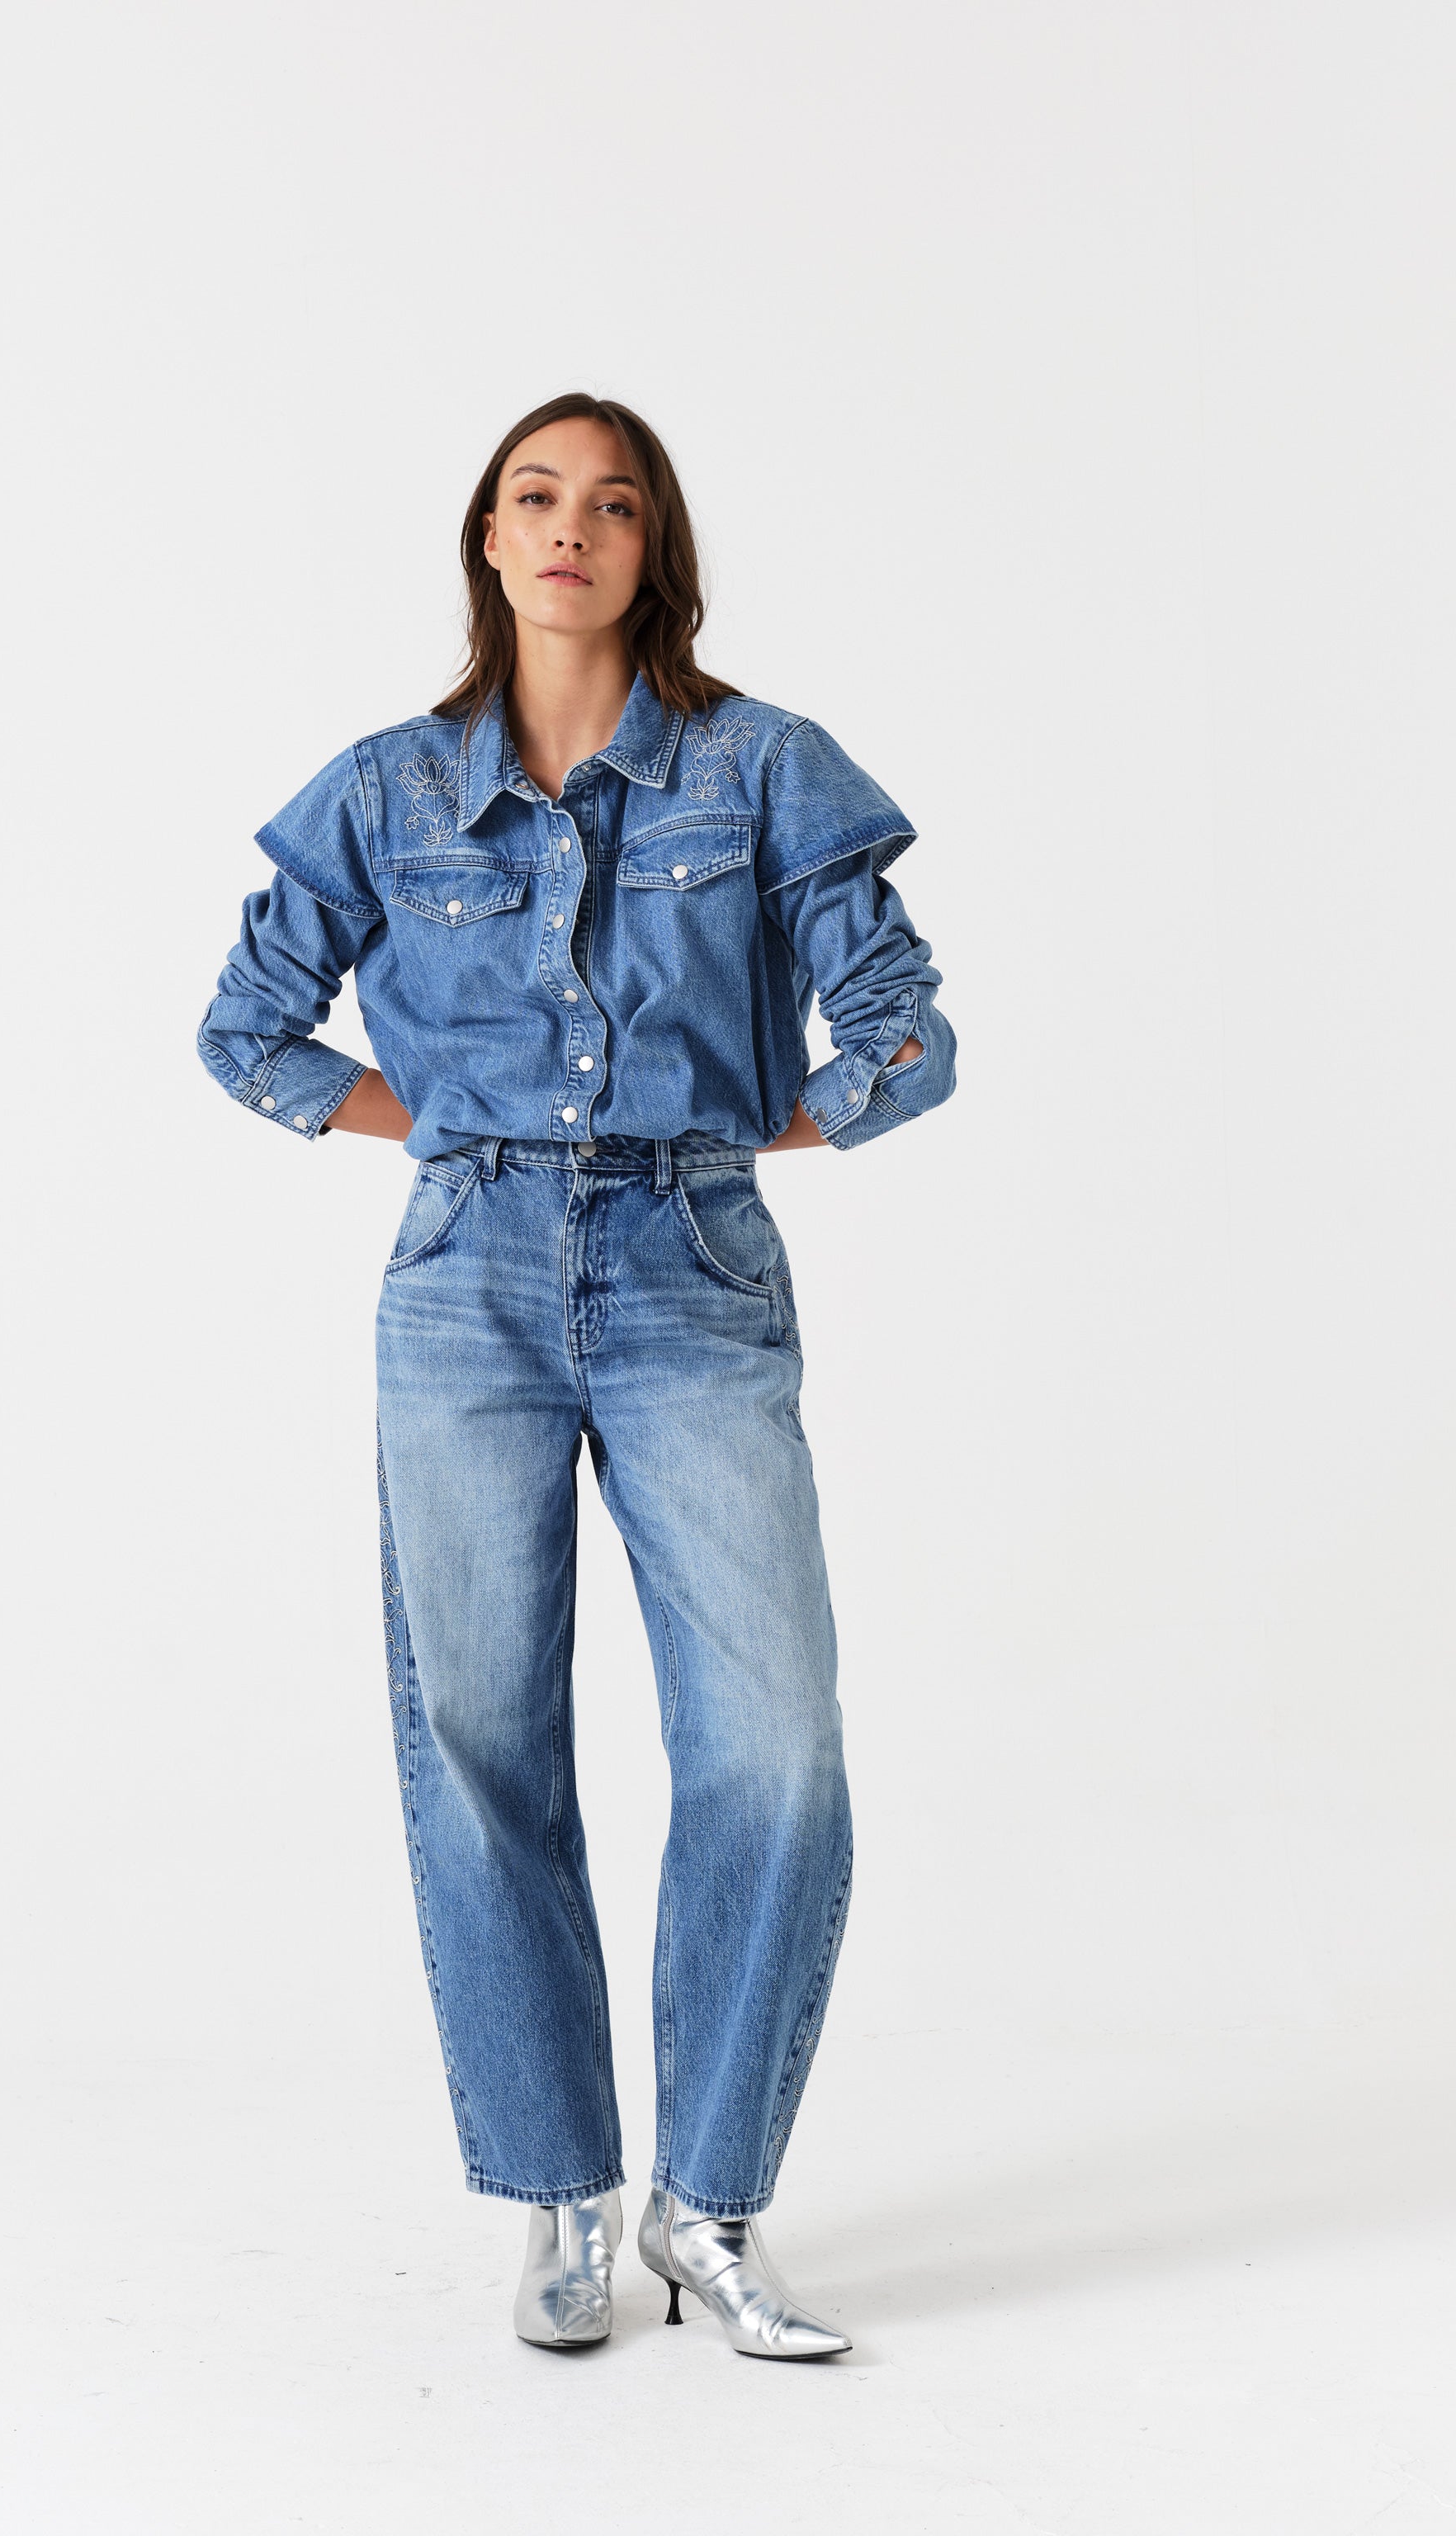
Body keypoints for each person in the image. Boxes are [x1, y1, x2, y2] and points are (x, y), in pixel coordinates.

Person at [197, 392, 957, 2360]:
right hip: (464, 1283)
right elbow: (249, 1027)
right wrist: (442, 1125)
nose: (569, 528)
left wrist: (739, 1138)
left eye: (611, 503)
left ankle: (711, 2204)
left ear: (654, 549)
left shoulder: (762, 766)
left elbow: (901, 1031)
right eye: (536, 495)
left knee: (773, 1747)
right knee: (479, 1741)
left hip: (693, 1264)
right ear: (484, 536)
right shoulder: (385, 790)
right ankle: (559, 2190)